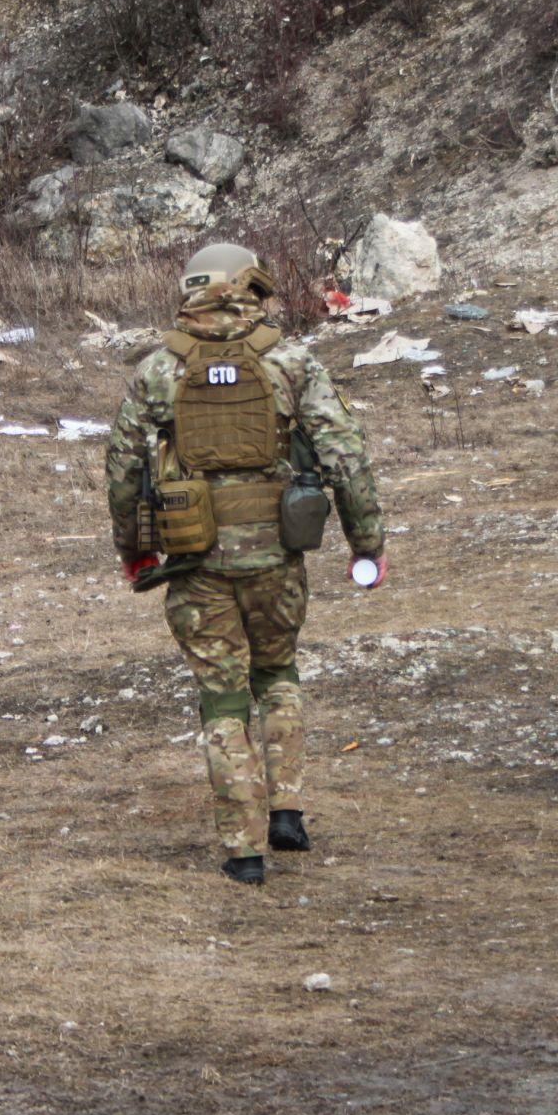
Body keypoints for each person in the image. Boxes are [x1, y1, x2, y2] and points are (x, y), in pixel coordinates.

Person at [105, 243, 387, 886]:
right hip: (277, 557)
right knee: (278, 672)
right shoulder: (290, 361)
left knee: (223, 695)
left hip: (194, 559)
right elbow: (345, 455)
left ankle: (244, 851)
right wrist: (366, 543)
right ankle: (287, 810)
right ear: (250, 286)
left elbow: (123, 473)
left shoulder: (156, 371)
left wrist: (135, 551)